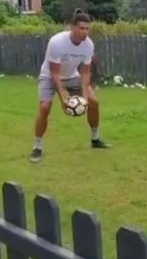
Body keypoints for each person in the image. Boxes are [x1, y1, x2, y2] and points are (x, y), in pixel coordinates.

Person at [29, 9, 110, 163]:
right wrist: (64, 99)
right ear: (71, 27)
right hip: (50, 77)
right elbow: (55, 74)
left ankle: (95, 138)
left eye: (87, 29)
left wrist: (85, 99)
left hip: (72, 76)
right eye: (81, 28)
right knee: (45, 107)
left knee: (94, 102)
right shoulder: (57, 42)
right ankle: (37, 147)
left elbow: (86, 73)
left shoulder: (88, 45)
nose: (85, 32)